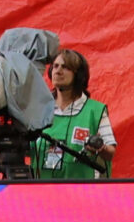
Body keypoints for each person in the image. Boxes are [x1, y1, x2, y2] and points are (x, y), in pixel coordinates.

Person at [32, 47, 115, 179]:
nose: (58, 71)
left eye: (65, 67)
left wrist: (100, 148)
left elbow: (110, 152)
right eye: (55, 66)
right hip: (42, 194)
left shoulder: (95, 111)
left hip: (83, 195)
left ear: (79, 76)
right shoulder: (38, 109)